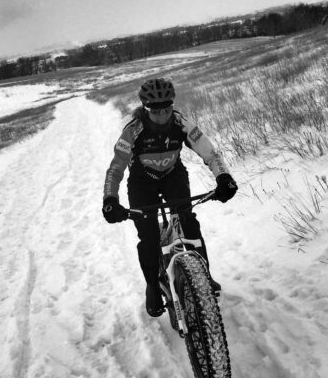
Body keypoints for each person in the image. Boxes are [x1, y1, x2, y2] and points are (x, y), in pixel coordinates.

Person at [102, 78, 238, 317]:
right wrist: (110, 200)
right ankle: (153, 286)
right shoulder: (133, 131)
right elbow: (115, 168)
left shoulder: (182, 123)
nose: (162, 115)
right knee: (148, 235)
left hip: (173, 174)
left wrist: (223, 177)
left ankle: (203, 277)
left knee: (187, 221)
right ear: (146, 109)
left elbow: (209, 151)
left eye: (166, 109)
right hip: (142, 181)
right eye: (155, 111)